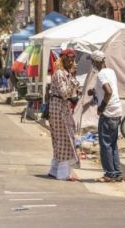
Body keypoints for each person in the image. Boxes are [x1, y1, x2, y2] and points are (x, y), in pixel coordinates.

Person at [87, 50, 123, 182]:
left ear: (96, 61)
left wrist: (101, 107)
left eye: (92, 61)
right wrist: (94, 91)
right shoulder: (110, 72)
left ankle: (109, 174)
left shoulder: (101, 75)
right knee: (113, 144)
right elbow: (106, 88)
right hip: (117, 111)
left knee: (105, 145)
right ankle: (117, 173)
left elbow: (108, 91)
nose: (92, 64)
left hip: (108, 113)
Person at [48, 48, 80, 181]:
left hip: (62, 107)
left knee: (60, 139)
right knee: (64, 139)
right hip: (58, 108)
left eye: (72, 59)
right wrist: (74, 82)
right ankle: (63, 173)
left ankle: (55, 169)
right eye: (68, 59)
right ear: (62, 60)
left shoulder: (66, 73)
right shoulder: (60, 73)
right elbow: (65, 93)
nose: (71, 62)